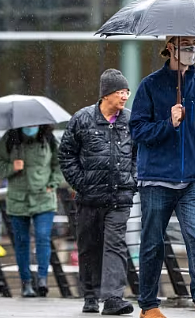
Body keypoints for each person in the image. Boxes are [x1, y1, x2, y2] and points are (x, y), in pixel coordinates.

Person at [129, 36, 195, 318]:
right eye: (185, 44)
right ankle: (149, 306)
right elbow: (138, 131)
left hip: (192, 178)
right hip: (156, 179)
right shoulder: (149, 85)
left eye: (194, 44)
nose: (191, 49)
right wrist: (168, 124)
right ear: (170, 48)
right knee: (152, 242)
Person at [59, 68, 136, 315]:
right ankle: (90, 295)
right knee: (89, 246)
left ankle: (113, 298)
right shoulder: (82, 119)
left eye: (127, 91)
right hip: (89, 198)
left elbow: (140, 154)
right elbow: (66, 154)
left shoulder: (131, 121)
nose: (125, 96)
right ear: (105, 94)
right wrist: (81, 183)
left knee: (115, 245)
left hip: (120, 197)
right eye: (120, 92)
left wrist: (132, 179)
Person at [0, 124, 64, 297]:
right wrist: (12, 167)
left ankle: (42, 280)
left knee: (42, 237)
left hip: (44, 198)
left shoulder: (49, 139)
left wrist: (52, 184)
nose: (31, 127)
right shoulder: (9, 139)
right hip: (18, 199)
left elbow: (60, 164)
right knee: (22, 242)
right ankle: (26, 283)